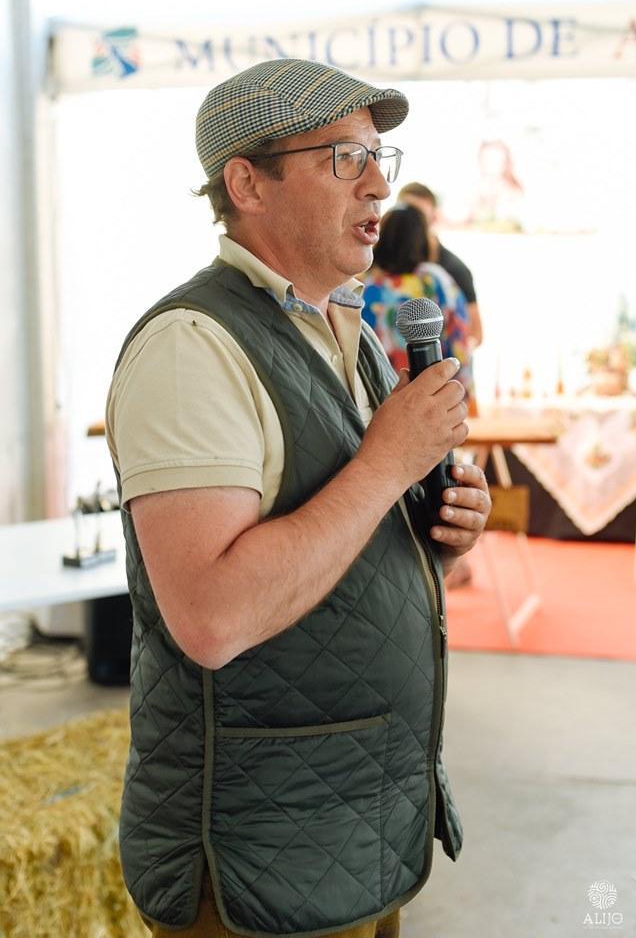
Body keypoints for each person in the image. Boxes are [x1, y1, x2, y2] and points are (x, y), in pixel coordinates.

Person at [105, 57, 491, 938]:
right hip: (256, 862)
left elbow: (337, 539)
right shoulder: (191, 346)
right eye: (344, 158)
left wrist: (429, 536)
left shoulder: (344, 329)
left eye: (379, 157)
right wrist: (387, 464)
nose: (378, 185)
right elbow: (213, 617)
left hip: (357, 831)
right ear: (248, 184)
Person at [361, 203, 476, 411]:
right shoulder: (436, 282)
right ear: (421, 239)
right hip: (434, 401)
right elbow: (460, 342)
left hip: (381, 407)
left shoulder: (366, 288)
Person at [397, 182, 483, 351]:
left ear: (433, 218)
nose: (409, 221)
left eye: (418, 216)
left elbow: (475, 334)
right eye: (404, 212)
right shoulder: (374, 265)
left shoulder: (455, 270)